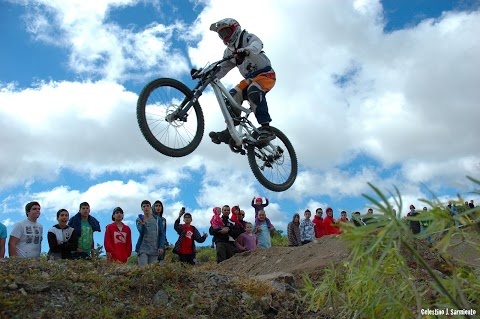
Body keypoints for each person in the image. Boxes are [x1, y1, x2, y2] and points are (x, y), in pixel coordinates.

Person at [207, 18, 277, 145]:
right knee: (231, 97)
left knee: (254, 91)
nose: (225, 37)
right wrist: (207, 74)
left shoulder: (247, 37)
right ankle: (231, 131)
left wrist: (247, 50)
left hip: (265, 74)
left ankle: (266, 128)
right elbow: (223, 68)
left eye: (227, 32)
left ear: (235, 29)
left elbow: (257, 44)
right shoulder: (228, 51)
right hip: (249, 79)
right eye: (221, 35)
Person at [135, 200, 166, 266]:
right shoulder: (139, 220)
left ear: (150, 207)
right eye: (144, 206)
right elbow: (141, 232)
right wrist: (143, 224)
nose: (146, 208)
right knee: (143, 270)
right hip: (143, 249)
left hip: (154, 249)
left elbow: (162, 234)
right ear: (142, 208)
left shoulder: (157, 219)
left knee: (152, 271)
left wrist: (161, 246)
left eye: (147, 206)